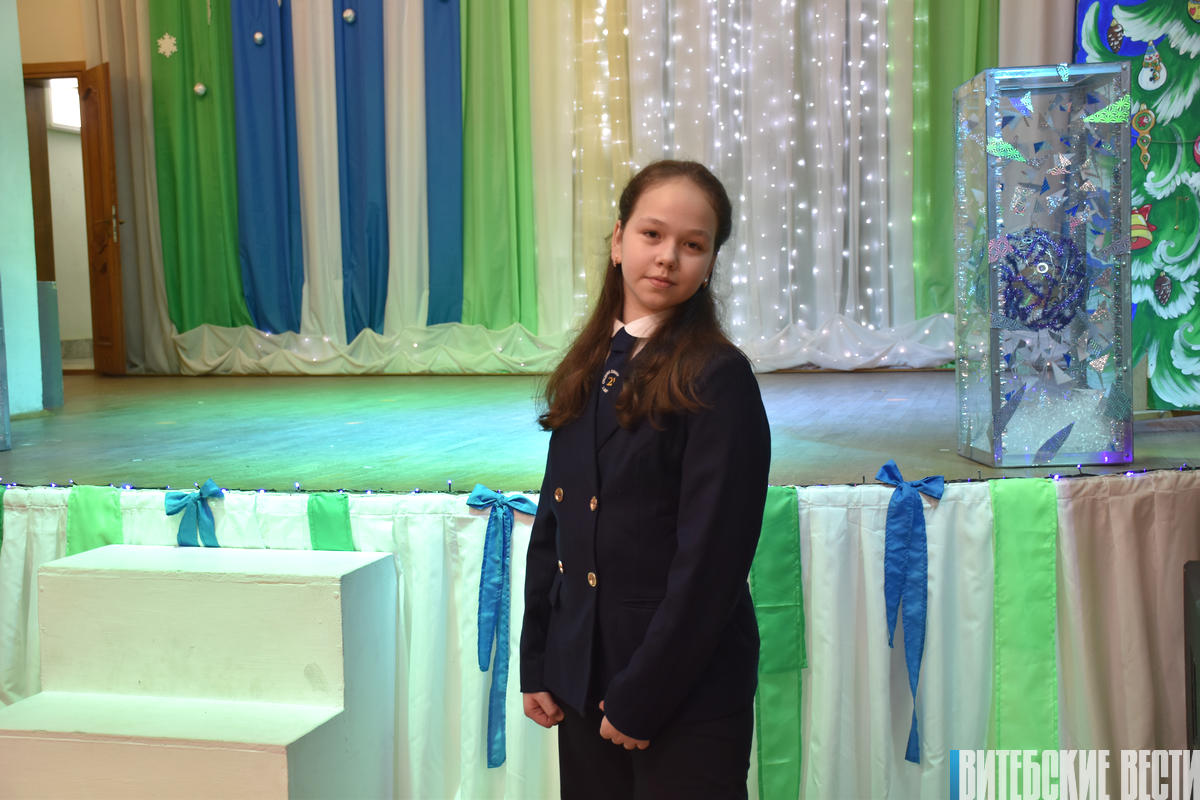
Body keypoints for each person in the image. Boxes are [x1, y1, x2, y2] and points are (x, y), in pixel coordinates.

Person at [519, 160, 771, 799]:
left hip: (680, 690)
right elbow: (554, 524)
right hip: (582, 674)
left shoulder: (718, 377)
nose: (667, 257)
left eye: (693, 244)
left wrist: (643, 697)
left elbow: (710, 566)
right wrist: (539, 660)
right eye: (652, 234)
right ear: (617, 240)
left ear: (710, 263)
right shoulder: (589, 364)